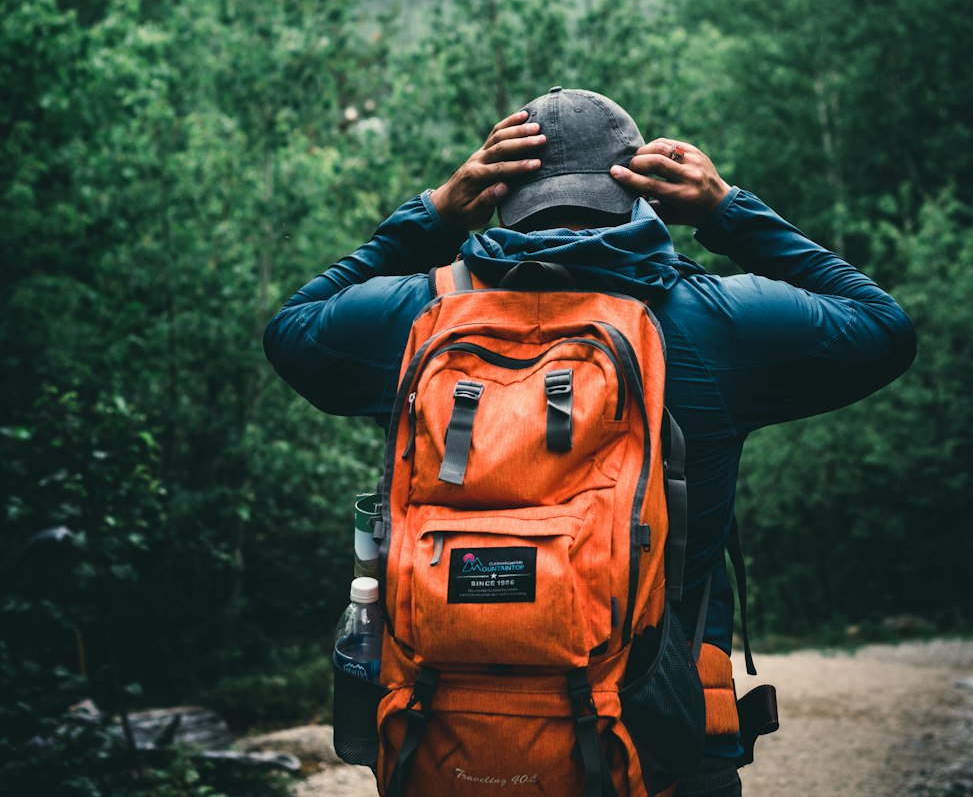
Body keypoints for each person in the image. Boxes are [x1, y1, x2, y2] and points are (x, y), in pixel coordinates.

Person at [264, 87, 916, 796]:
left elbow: (292, 330)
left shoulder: (418, 318)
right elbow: (882, 328)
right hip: (664, 745)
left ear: (499, 190)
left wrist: (432, 215)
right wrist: (727, 209)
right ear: (640, 193)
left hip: (445, 740)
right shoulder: (715, 321)